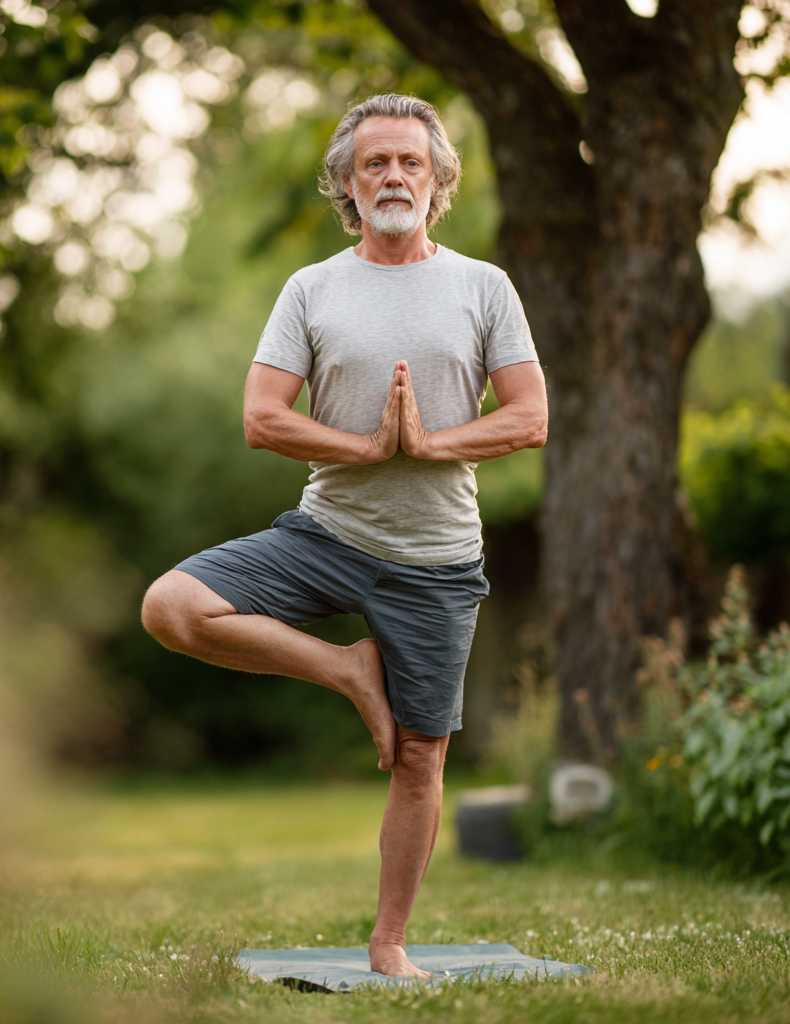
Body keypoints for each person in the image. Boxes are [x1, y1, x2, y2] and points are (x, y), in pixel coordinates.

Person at [141, 93, 548, 978]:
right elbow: (260, 417)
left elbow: (528, 418)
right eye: (375, 163)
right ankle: (345, 669)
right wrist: (366, 449)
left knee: (420, 753)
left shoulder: (484, 287)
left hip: (438, 559)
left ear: (437, 180)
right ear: (347, 183)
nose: (393, 175)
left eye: (410, 162)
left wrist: (431, 444)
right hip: (326, 532)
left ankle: (389, 942)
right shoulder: (313, 288)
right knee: (172, 607)